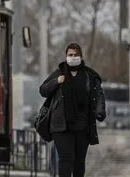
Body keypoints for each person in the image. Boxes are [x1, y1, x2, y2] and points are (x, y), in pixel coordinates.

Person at [39, 42, 106, 177]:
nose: (73, 57)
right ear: (66, 56)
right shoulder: (59, 73)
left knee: (79, 162)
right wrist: (56, 82)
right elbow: (43, 90)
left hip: (83, 126)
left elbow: (99, 94)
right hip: (60, 125)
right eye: (70, 55)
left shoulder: (90, 75)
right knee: (65, 159)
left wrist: (100, 112)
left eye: (76, 55)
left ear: (81, 57)